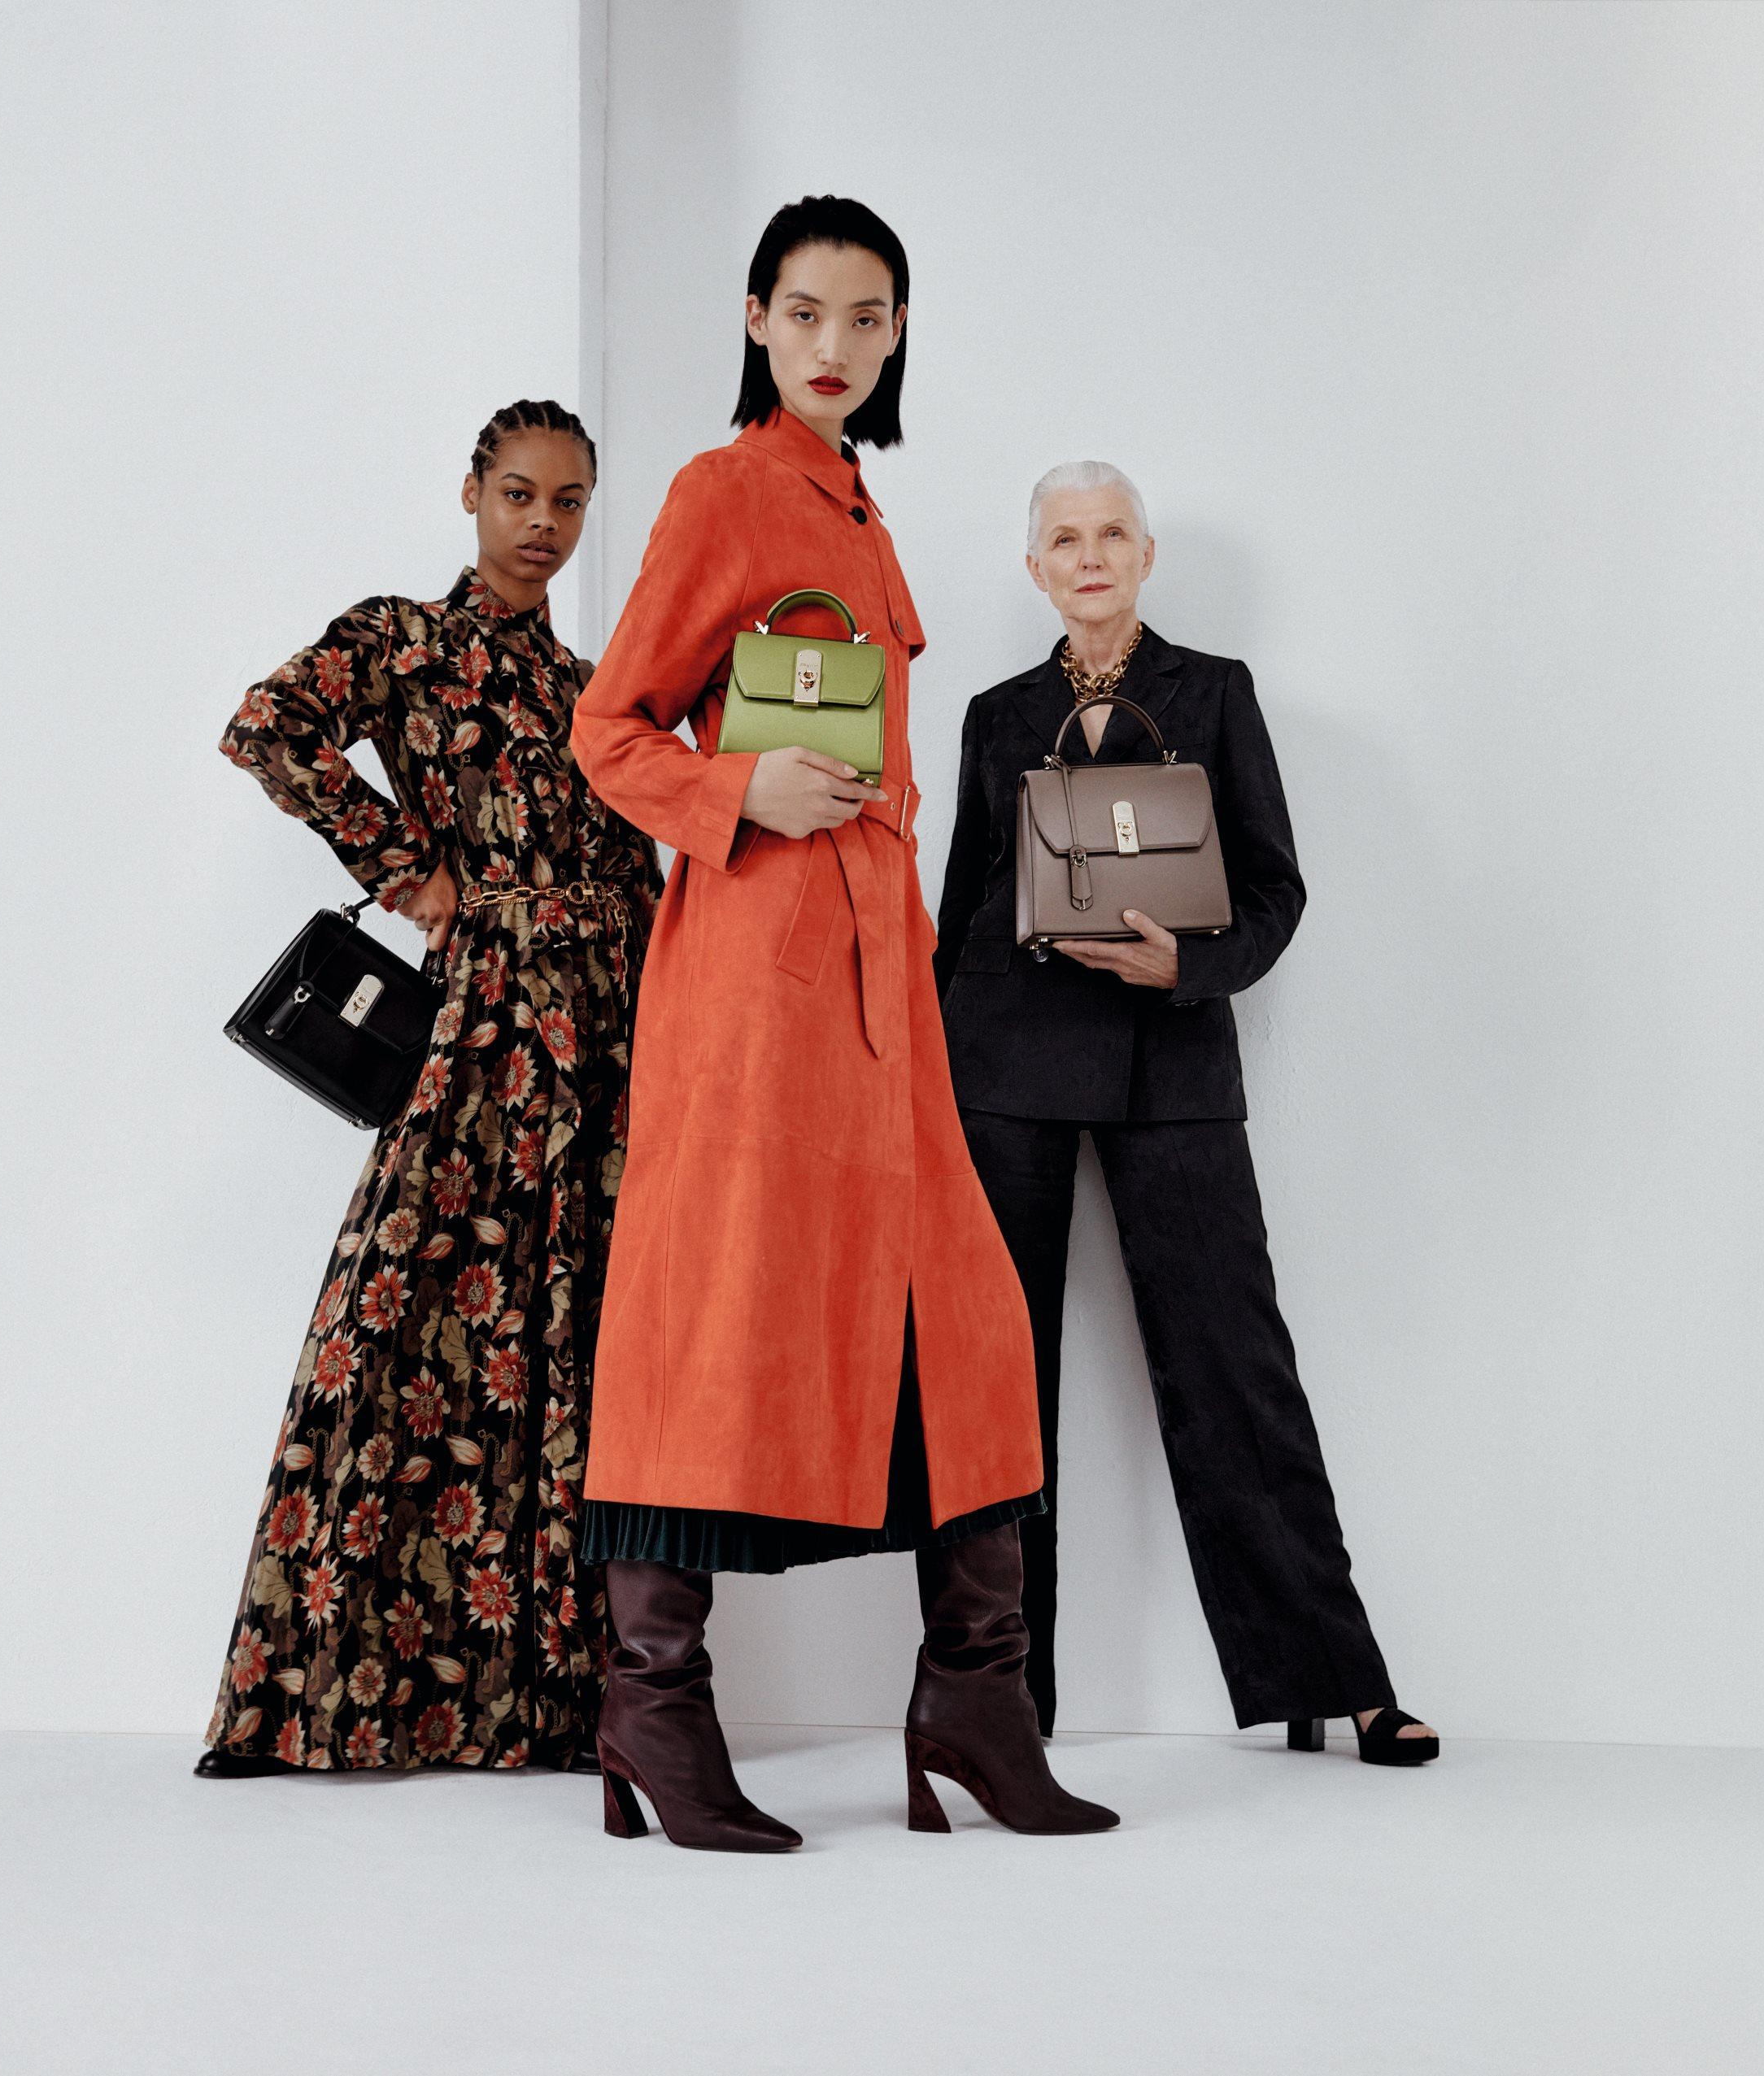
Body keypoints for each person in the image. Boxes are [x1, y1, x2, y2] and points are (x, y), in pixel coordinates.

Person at [567, 197, 1116, 1848]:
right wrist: (742, 790)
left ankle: (977, 1699)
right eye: (804, 311)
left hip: (886, 995)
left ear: (897, 334)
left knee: (969, 1322)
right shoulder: (724, 489)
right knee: (714, 1320)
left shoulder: (858, 508)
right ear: (755, 318)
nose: (833, 344)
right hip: (755, 982)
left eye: (866, 317)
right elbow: (609, 730)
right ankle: (653, 1708)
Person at [929, 459, 1442, 1768]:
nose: (1089, 555)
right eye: (1063, 538)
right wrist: (925, 1086)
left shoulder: (1215, 692)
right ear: (1035, 568)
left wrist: (1188, 966)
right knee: (997, 1385)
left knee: (1234, 1364)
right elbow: (960, 907)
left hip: (1170, 1064)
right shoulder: (996, 715)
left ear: (1146, 555)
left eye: (1112, 533)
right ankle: (1000, 1693)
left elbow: (1275, 889)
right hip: (1003, 1069)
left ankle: (1334, 1674)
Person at [194, 400, 658, 1776]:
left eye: (568, 502)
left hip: (608, 1037)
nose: (543, 523)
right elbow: (267, 726)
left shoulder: (591, 687)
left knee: (568, 1339)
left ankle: (551, 1704)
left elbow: (636, 864)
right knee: (402, 1320)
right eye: (519, 493)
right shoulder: (402, 640)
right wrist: (405, 868)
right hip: (484, 1020)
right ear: (471, 493)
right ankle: (315, 1696)